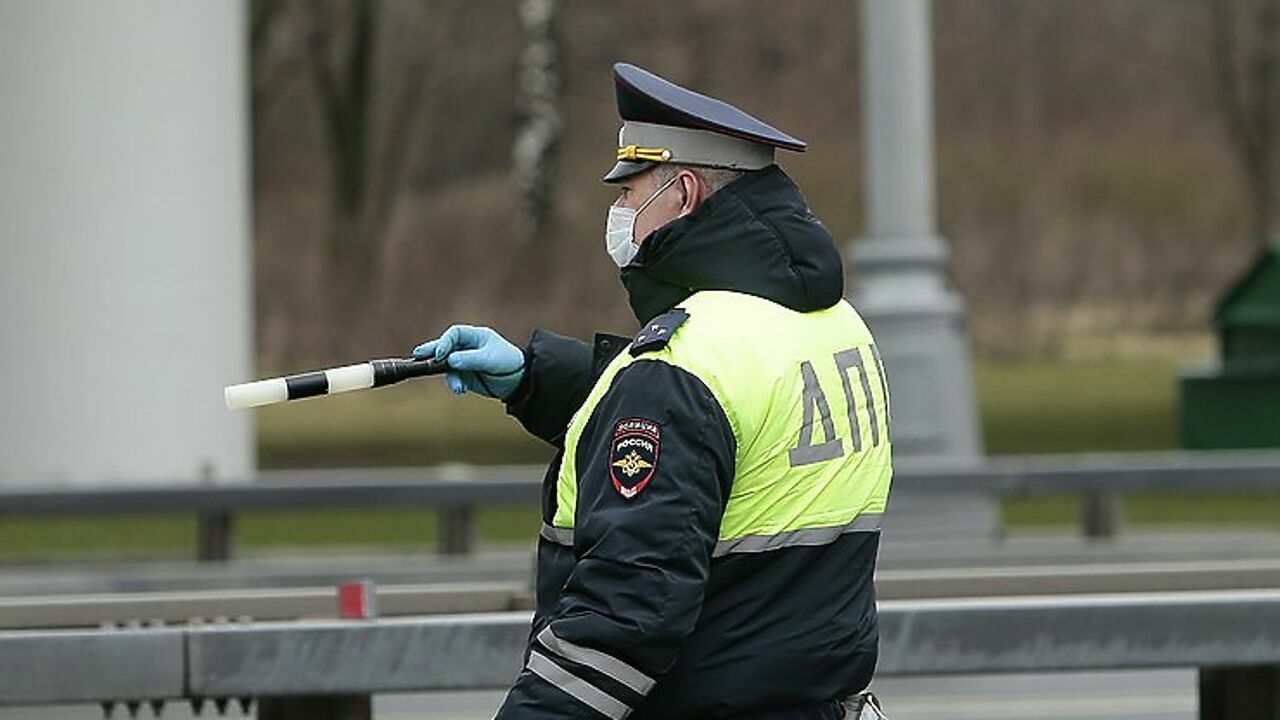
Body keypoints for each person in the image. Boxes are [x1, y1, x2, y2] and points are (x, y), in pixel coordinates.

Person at [413, 63, 893, 720]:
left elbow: (622, 619)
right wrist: (533, 378)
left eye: (631, 190)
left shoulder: (682, 364)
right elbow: (736, 437)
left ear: (686, 192)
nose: (618, 212)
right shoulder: (830, 322)